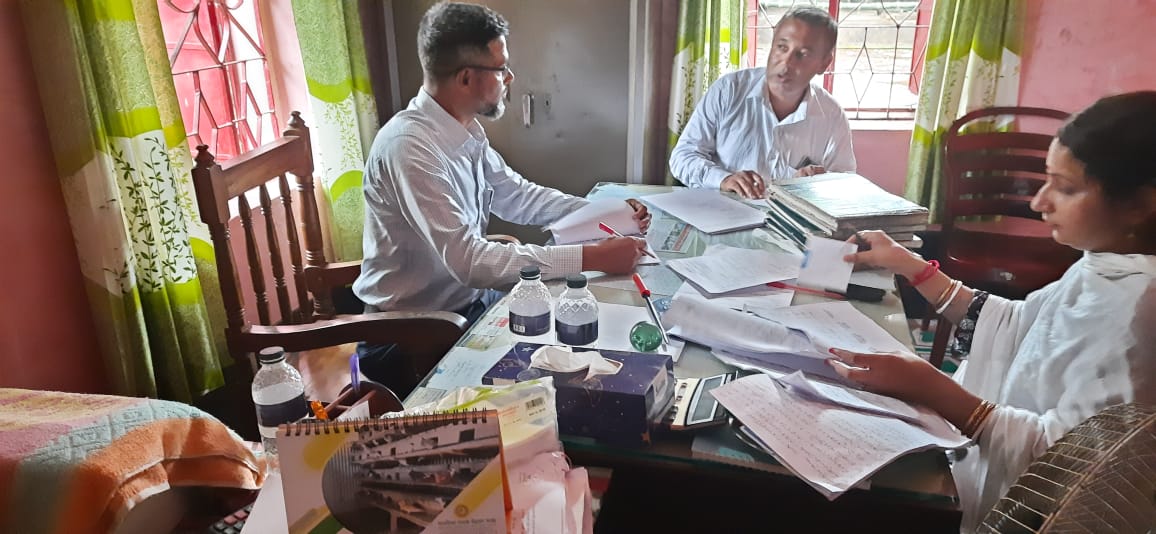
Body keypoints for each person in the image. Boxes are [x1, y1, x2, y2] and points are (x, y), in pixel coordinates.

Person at [828, 91, 1156, 531]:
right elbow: (1019, 326)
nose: (1039, 202)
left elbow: (1072, 470)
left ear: (1139, 205)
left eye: (1065, 188)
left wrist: (934, 388)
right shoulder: (1107, 263)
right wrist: (907, 264)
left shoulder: (1139, 315)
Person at [353, 1, 650, 393]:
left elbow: (518, 196)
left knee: (582, 348)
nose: (510, 77)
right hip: (410, 338)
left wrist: (608, 213)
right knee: (559, 386)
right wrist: (593, 256)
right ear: (466, 78)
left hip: (465, 307)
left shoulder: (464, 130)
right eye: (501, 68)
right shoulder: (409, 147)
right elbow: (470, 262)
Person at [668, 6, 856, 199]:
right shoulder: (729, 90)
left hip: (790, 218)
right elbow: (682, 158)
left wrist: (818, 185)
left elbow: (844, 188)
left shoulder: (832, 117)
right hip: (719, 212)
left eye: (803, 54)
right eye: (782, 47)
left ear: (824, 63)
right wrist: (723, 179)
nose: (786, 62)